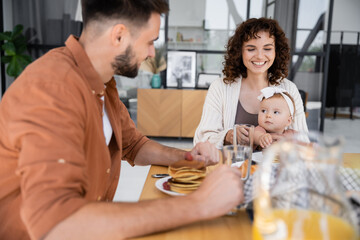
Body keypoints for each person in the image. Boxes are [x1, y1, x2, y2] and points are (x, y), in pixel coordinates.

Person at [0, 1, 244, 239]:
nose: (151, 53)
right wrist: (200, 204)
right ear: (119, 36)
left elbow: (133, 145)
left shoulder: (102, 81)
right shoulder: (53, 89)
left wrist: (188, 158)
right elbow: (58, 226)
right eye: (150, 42)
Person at [194, 18, 308, 149]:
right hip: (231, 167)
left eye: (267, 48)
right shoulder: (220, 88)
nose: (260, 56)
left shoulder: (289, 89)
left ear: (276, 52)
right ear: (240, 52)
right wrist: (227, 136)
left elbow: (304, 142)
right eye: (251, 49)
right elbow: (200, 141)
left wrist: (287, 141)